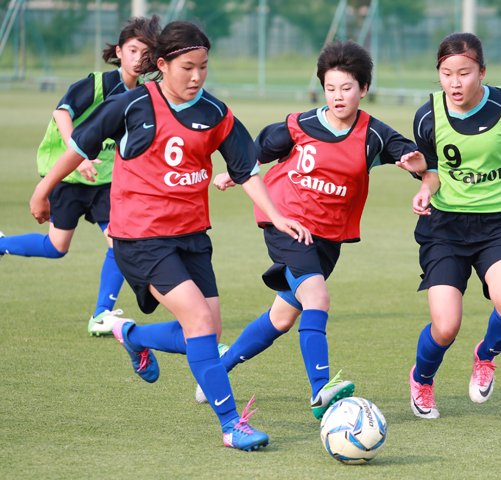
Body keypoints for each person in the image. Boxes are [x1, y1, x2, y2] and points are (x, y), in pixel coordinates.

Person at [29, 20, 312, 451]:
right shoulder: (132, 105)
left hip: (192, 235)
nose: (197, 76)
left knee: (206, 331)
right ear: (162, 65)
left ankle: (134, 336)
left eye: (203, 67)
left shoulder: (215, 112)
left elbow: (246, 170)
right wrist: (42, 190)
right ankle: (232, 424)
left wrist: (275, 215)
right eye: (187, 67)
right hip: (140, 237)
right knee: (198, 321)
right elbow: (80, 147)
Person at [198, 40, 427, 420]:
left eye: (347, 88)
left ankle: (215, 372)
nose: (338, 96)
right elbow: (254, 152)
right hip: (286, 222)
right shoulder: (297, 125)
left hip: (328, 238)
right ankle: (321, 391)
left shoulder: (374, 135)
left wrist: (415, 164)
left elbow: (411, 157)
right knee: (317, 298)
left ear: (364, 89)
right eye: (331, 88)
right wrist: (232, 175)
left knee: (282, 318)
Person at [406, 32, 501, 419]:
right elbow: (434, 171)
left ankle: (485, 355)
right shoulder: (428, 116)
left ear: (482, 72)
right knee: (445, 327)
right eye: (446, 74)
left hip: (500, 223)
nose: (455, 83)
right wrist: (425, 188)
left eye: (464, 73)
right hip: (445, 228)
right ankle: (422, 379)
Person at [0, 16, 161, 336]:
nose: (138, 58)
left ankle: (101, 313)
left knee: (119, 242)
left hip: (104, 181)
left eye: (145, 53)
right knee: (56, 247)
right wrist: (79, 155)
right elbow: (61, 112)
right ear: (119, 51)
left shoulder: (143, 96)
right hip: (68, 177)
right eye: (132, 50)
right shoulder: (96, 84)